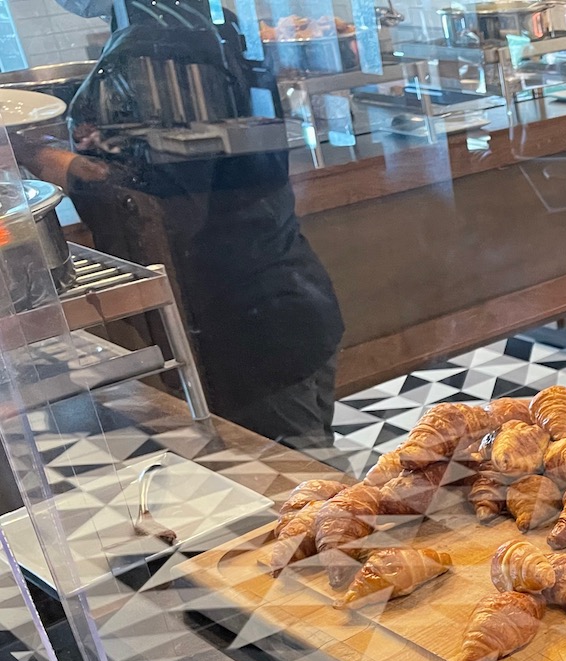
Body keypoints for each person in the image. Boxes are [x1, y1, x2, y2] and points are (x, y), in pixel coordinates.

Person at [15, 0, 344, 450]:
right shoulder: (203, 20)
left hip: (245, 319)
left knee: (303, 478)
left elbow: (166, 204)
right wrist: (106, 142)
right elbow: (192, 159)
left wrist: (39, 156)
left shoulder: (153, 45)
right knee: (308, 461)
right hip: (282, 291)